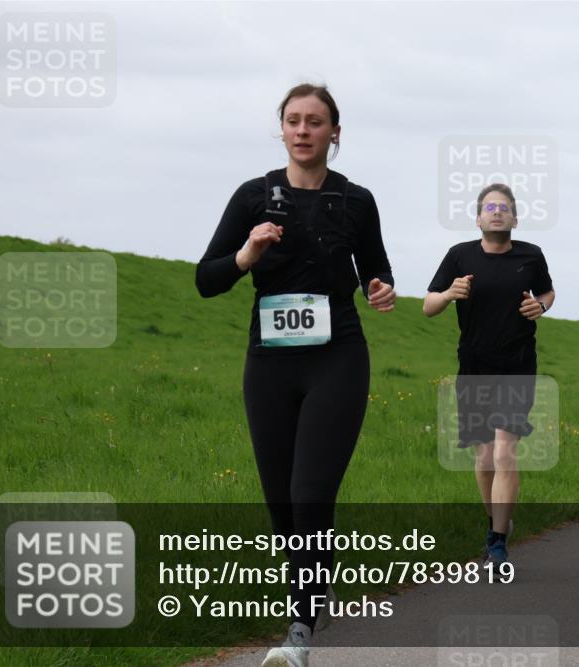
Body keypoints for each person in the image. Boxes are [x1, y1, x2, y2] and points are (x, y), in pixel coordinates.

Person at [196, 84, 396, 667]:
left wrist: (379, 288)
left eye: (316, 122)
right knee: (282, 502)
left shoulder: (357, 201)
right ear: (280, 129)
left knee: (311, 493)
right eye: (293, 120)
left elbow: (375, 269)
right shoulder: (252, 196)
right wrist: (247, 255)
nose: (303, 130)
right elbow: (206, 279)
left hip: (338, 357)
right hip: (269, 364)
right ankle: (315, 587)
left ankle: (300, 627)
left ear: (336, 133)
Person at [424, 183, 555, 578]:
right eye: (489, 207)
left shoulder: (530, 256)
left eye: (504, 207)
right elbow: (428, 306)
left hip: (516, 364)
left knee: (503, 454)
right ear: (478, 217)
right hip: (474, 366)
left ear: (515, 218)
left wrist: (541, 306)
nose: (496, 212)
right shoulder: (459, 256)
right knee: (482, 458)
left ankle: (497, 544)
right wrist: (449, 293)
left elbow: (547, 292)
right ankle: (497, 522)